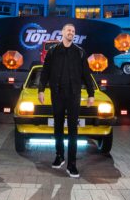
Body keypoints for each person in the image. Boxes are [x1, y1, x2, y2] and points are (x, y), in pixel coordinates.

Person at [38, 23, 95, 178]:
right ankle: (59, 155)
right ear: (62, 32)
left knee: (72, 130)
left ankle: (72, 164)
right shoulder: (52, 51)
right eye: (69, 30)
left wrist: (91, 94)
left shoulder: (80, 52)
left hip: (73, 96)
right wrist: (41, 90)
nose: (71, 32)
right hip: (56, 95)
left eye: (73, 31)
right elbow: (45, 72)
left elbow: (87, 75)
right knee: (57, 127)